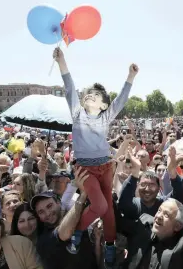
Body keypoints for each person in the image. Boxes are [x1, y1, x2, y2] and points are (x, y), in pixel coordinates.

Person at [53, 46, 138, 267]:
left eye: (97, 97)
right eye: (89, 95)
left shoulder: (107, 116)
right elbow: (69, 86)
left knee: (108, 207)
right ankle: (78, 230)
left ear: (103, 104)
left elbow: (121, 99)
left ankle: (109, 243)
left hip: (106, 167)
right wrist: (62, 61)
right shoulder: (76, 113)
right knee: (99, 206)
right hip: (85, 169)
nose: (91, 98)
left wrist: (130, 76)